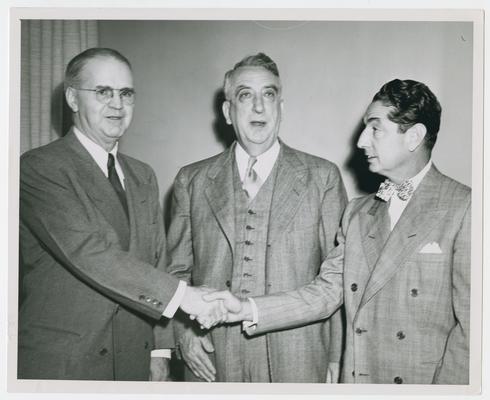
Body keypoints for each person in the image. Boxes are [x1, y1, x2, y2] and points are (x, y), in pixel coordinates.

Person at [207, 79, 471, 385]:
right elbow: (324, 293)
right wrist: (247, 308)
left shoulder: (464, 207)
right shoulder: (358, 213)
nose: (361, 141)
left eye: (375, 129)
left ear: (413, 136)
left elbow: (473, 333)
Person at [18, 47, 225, 381]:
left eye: (126, 93)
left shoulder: (143, 175)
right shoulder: (39, 167)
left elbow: (156, 260)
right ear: (73, 98)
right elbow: (90, 253)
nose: (117, 104)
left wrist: (159, 351)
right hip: (65, 364)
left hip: (133, 361)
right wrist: (187, 297)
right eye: (103, 92)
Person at [166, 53, 347, 383]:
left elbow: (336, 278)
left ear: (281, 107)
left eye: (269, 94)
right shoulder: (190, 180)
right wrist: (184, 334)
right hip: (212, 359)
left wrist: (336, 357)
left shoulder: (323, 178)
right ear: (227, 111)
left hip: (299, 358)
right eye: (245, 95)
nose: (259, 107)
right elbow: (175, 272)